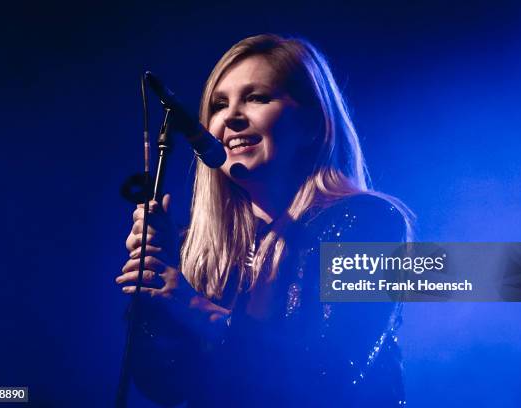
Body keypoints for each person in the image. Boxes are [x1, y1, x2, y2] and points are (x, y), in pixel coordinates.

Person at [116, 34, 413, 407]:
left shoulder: (367, 223)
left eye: (257, 98)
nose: (232, 117)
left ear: (311, 123)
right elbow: (164, 384)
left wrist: (196, 308)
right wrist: (158, 284)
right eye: (219, 105)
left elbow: (329, 372)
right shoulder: (203, 247)